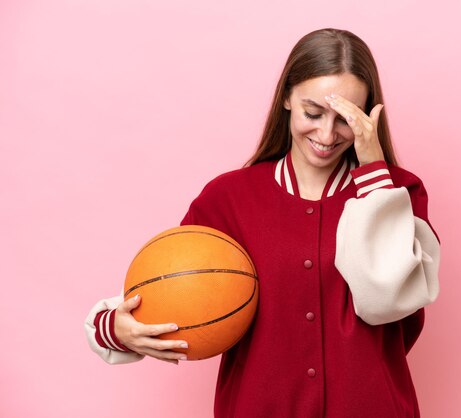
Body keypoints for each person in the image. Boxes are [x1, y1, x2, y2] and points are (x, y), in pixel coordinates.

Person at [84, 28, 441, 418]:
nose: (326, 134)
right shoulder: (229, 198)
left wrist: (373, 172)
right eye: (313, 112)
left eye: (345, 120)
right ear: (287, 97)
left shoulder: (399, 192)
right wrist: (114, 328)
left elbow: (386, 301)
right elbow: (171, 288)